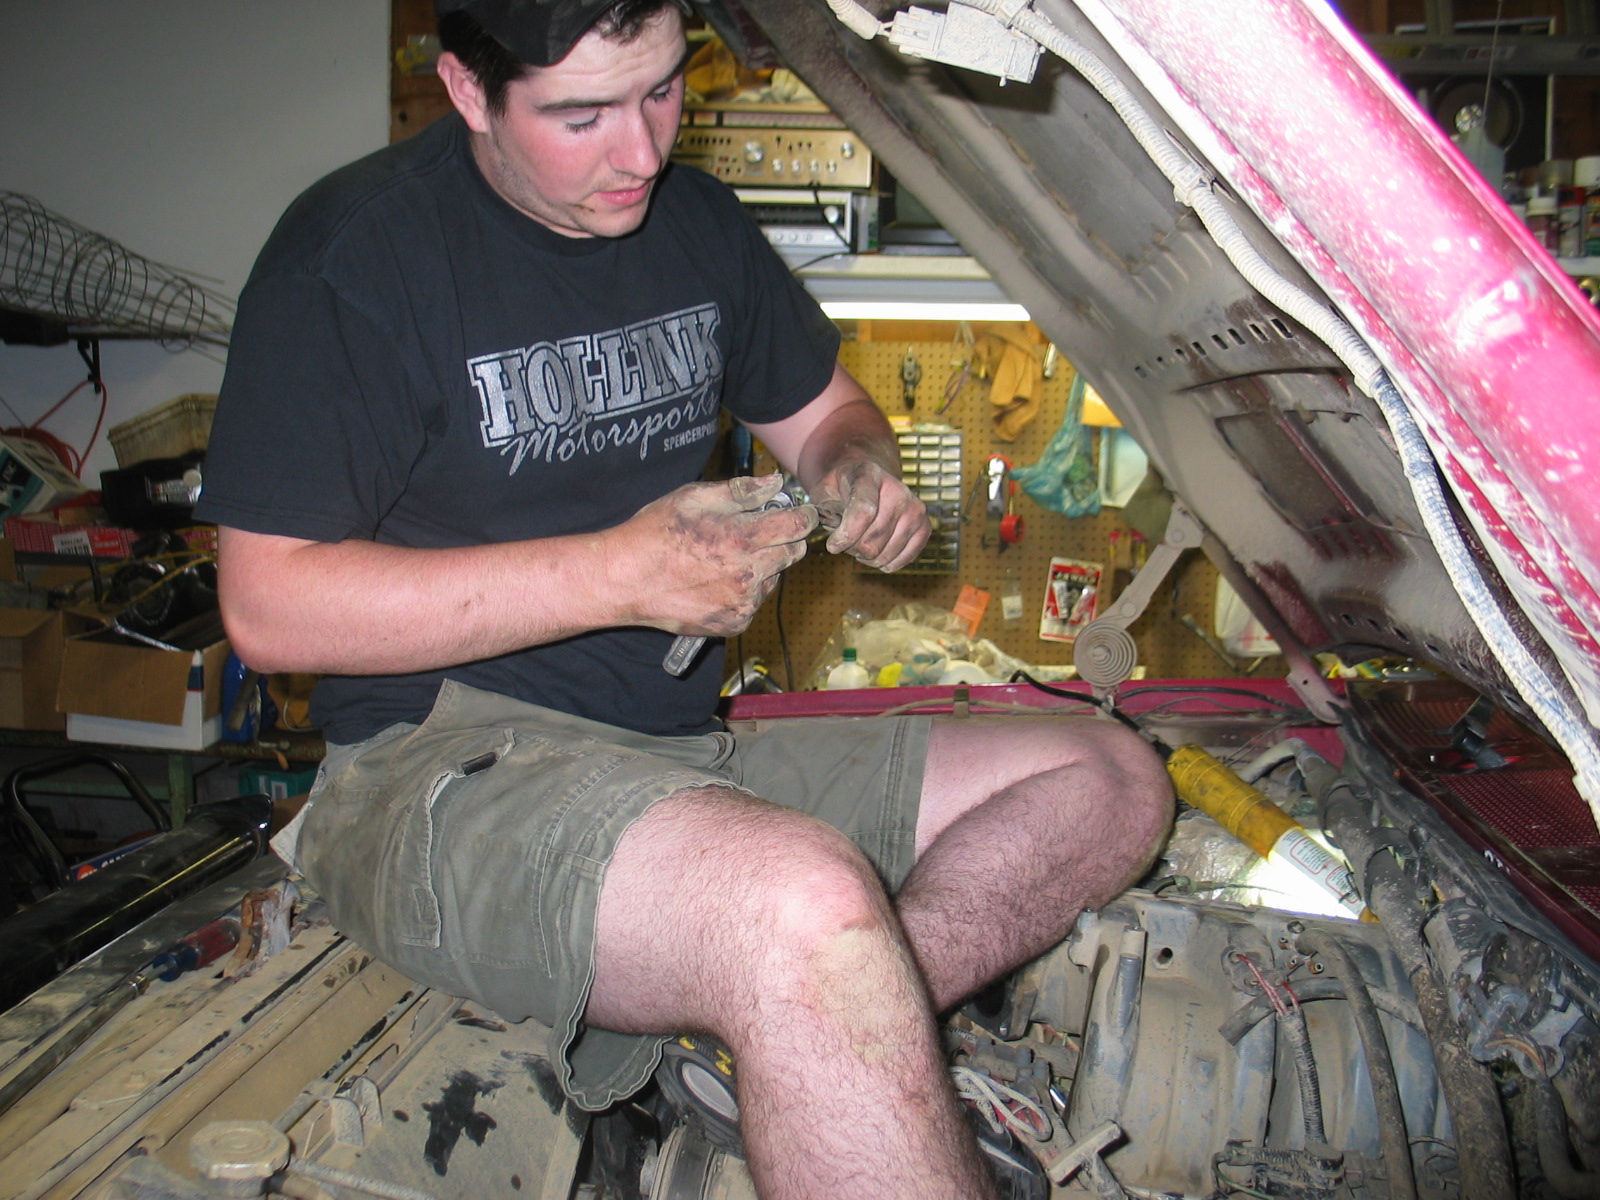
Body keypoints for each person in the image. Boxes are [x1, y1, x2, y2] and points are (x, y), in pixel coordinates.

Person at [196, 1, 1173, 1195]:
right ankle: (814, 987)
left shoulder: (696, 223)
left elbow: (830, 415)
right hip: (431, 770)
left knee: (1111, 777)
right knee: (803, 909)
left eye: (663, 90)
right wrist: (622, 571)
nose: (642, 150)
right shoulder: (353, 257)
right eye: (582, 115)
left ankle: (813, 1013)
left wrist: (852, 474)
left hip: (672, 756)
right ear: (466, 91)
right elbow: (270, 610)